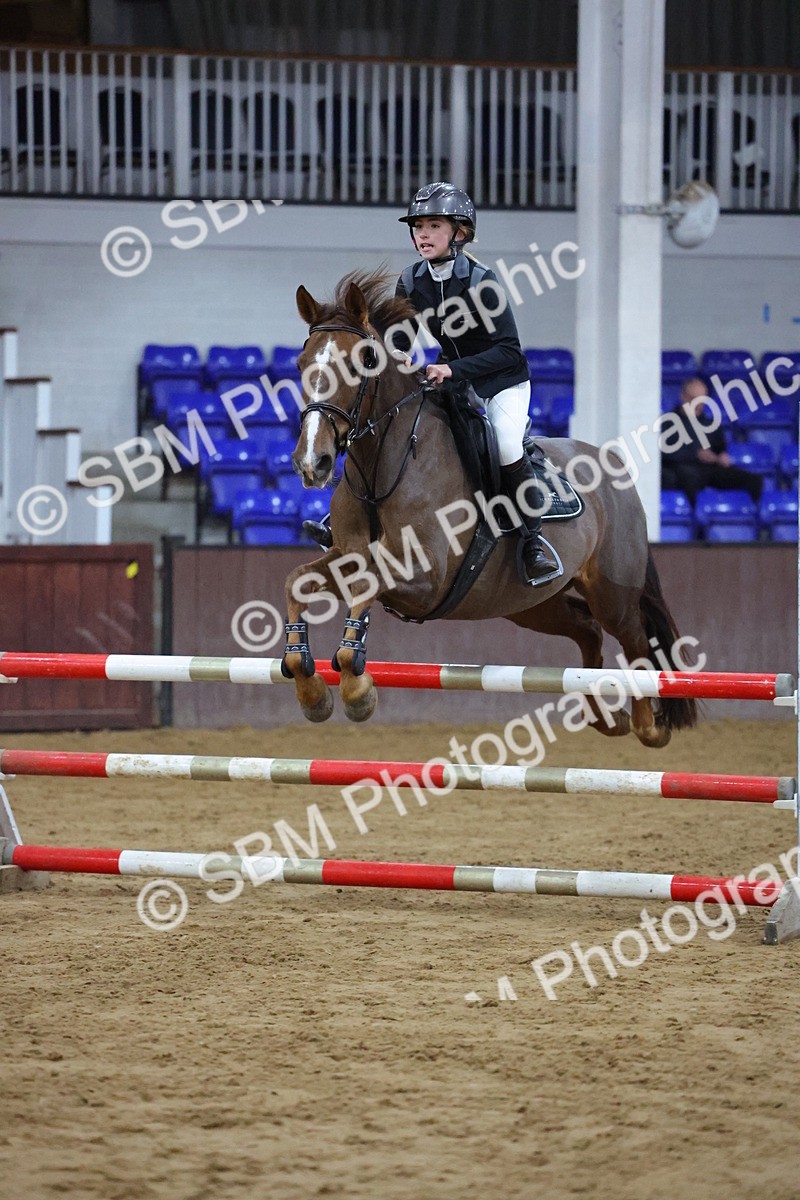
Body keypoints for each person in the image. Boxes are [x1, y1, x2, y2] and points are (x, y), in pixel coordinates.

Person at [303, 181, 559, 586]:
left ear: (460, 232)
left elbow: (509, 351)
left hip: (501, 382)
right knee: (391, 422)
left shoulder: (482, 282)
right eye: (418, 227)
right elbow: (403, 338)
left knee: (507, 445)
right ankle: (345, 518)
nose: (423, 234)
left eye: (434, 226)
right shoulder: (412, 279)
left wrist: (452, 370)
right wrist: (399, 354)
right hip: (450, 378)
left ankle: (533, 541)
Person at [661, 377, 763, 503]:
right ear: (683, 397)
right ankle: (697, 513)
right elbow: (664, 453)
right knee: (689, 477)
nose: (698, 405)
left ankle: (745, 511)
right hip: (682, 469)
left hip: (710, 469)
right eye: (693, 399)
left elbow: (720, 447)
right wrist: (695, 455)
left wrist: (722, 455)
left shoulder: (710, 423)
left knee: (753, 480)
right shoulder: (668, 423)